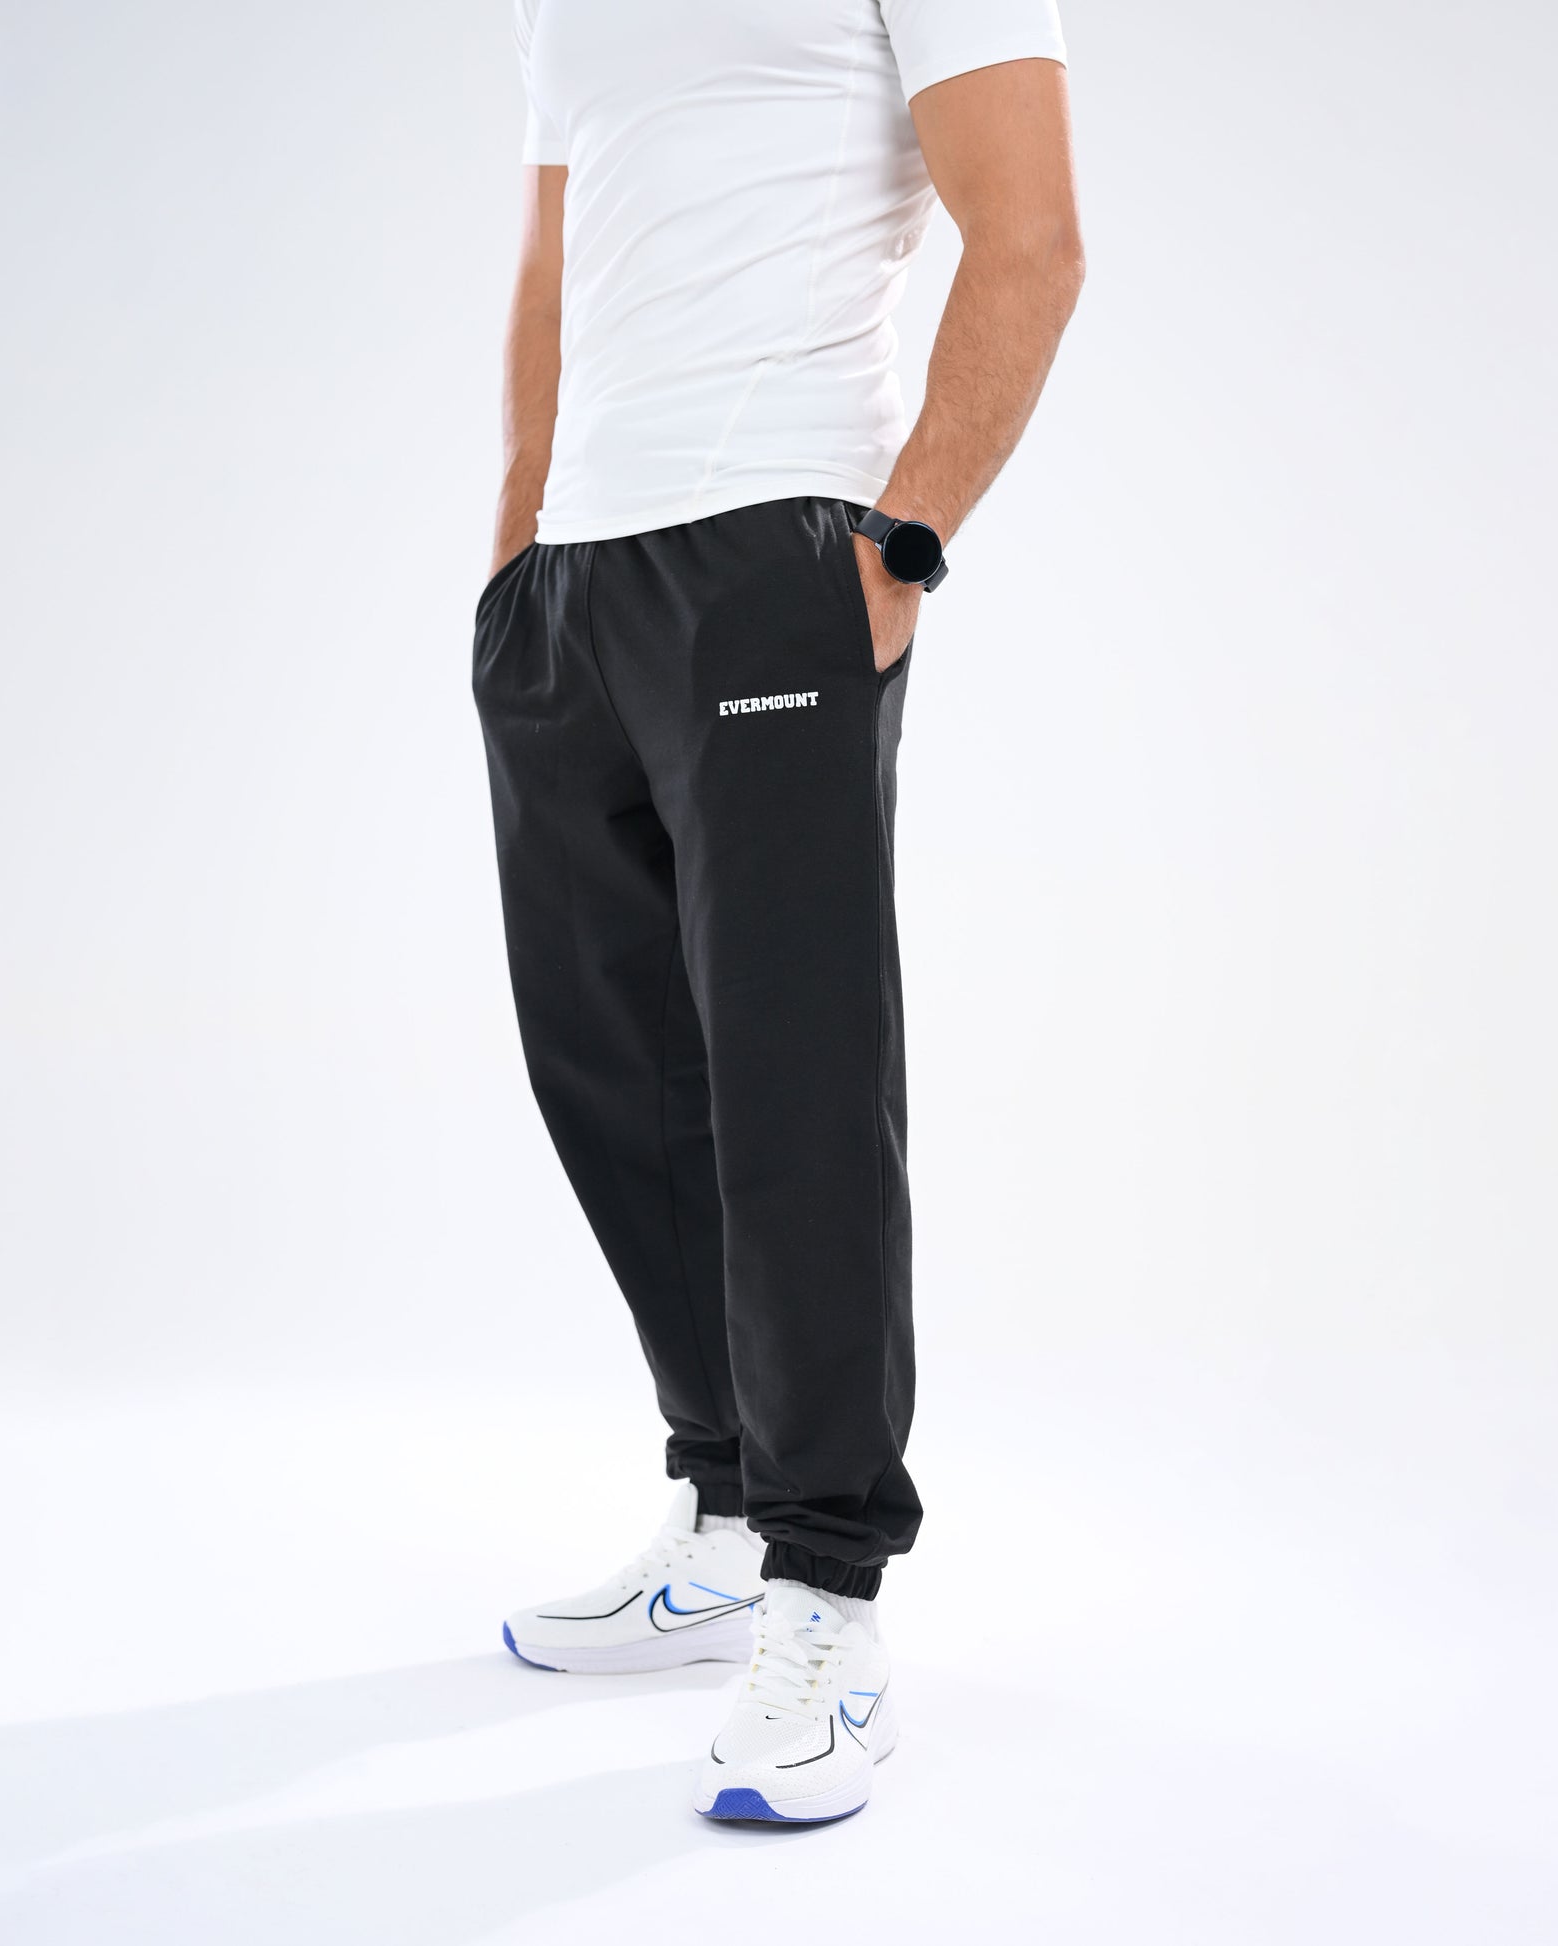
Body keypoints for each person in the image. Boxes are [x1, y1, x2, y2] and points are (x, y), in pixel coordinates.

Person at [472, 0, 1083, 1825]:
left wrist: (897, 550)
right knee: (608, 1067)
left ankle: (827, 1594)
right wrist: (515, 559)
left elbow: (1033, 238)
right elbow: (552, 267)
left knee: (792, 1082)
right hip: (573, 587)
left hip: (777, 548)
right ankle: (726, 1510)